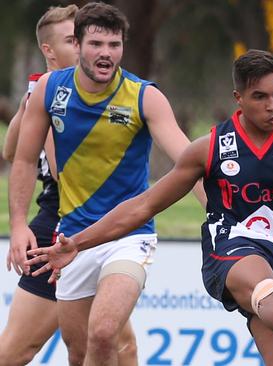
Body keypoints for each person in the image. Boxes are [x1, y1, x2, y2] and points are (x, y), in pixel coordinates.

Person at [25, 49, 273, 365]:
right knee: (263, 286)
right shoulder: (209, 149)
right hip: (230, 249)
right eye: (261, 97)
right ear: (238, 99)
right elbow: (143, 206)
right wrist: (79, 242)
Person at [9, 2, 205, 365]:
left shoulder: (144, 96)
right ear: (79, 45)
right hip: (70, 240)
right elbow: (20, 158)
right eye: (96, 44)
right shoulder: (51, 90)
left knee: (103, 332)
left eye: (114, 45)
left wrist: (217, 213)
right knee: (79, 350)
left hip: (127, 237)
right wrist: (19, 225)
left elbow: (187, 160)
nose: (106, 53)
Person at [0, 5, 137, 365]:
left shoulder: (86, 92)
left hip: (96, 227)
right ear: (50, 50)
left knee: (116, 344)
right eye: (71, 40)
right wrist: (28, 107)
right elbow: (18, 154)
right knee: (17, 352)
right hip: (60, 226)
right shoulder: (52, 97)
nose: (83, 50)